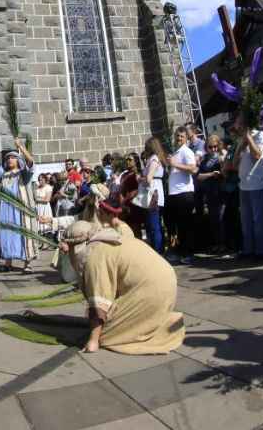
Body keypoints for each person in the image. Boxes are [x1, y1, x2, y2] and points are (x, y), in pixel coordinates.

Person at [62, 219, 185, 355]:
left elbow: (99, 305)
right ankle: (155, 321)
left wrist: (93, 340)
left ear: (76, 248)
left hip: (152, 290)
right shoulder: (108, 238)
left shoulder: (94, 257)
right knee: (113, 321)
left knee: (107, 335)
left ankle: (162, 325)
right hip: (167, 281)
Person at [0, 140, 38, 272]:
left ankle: (27, 264)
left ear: (18, 160)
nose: (10, 159)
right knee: (7, 234)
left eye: (13, 157)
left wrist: (21, 147)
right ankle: (7, 263)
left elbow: (31, 163)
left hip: (20, 211)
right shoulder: (3, 175)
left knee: (24, 234)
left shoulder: (23, 174)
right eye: (8, 158)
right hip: (5, 210)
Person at [231, 111, 263, 259]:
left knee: (258, 220)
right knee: (246, 221)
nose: (237, 125)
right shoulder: (239, 140)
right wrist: (241, 145)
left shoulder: (259, 135)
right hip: (244, 186)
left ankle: (261, 251)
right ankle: (248, 250)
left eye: (239, 122)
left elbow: (257, 155)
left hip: (256, 185)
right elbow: (234, 165)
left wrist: (248, 138)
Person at [163, 127, 197, 264]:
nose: (179, 138)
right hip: (174, 194)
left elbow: (192, 168)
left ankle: (188, 253)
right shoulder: (176, 152)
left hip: (184, 193)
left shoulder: (186, 151)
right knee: (176, 224)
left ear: (186, 138)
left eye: (182, 136)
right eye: (177, 136)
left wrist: (175, 164)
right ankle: (180, 251)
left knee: (185, 225)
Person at [196, 134, 226, 253]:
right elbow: (198, 176)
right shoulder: (204, 160)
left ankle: (223, 244)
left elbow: (225, 173)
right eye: (210, 147)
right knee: (213, 219)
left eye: (215, 146)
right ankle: (217, 243)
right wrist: (211, 174)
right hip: (209, 192)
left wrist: (222, 165)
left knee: (221, 218)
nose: (213, 149)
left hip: (220, 191)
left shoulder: (221, 156)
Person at [141, 136, 167, 253]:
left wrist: (139, 179)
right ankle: (158, 249)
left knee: (154, 225)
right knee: (154, 224)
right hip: (155, 193)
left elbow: (149, 178)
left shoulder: (154, 159)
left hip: (153, 195)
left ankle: (158, 251)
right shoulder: (156, 159)